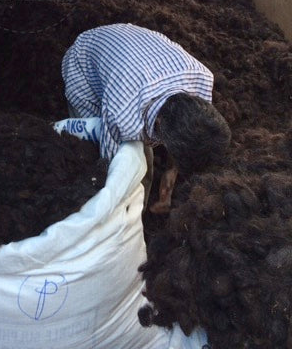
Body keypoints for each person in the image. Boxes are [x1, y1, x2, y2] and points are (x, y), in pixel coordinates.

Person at [61, 23, 231, 213]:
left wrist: (171, 171)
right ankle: (124, 215)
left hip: (134, 51)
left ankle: (138, 210)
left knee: (143, 161)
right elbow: (108, 167)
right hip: (84, 63)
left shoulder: (201, 79)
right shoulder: (121, 115)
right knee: (101, 154)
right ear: (159, 124)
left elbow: (197, 135)